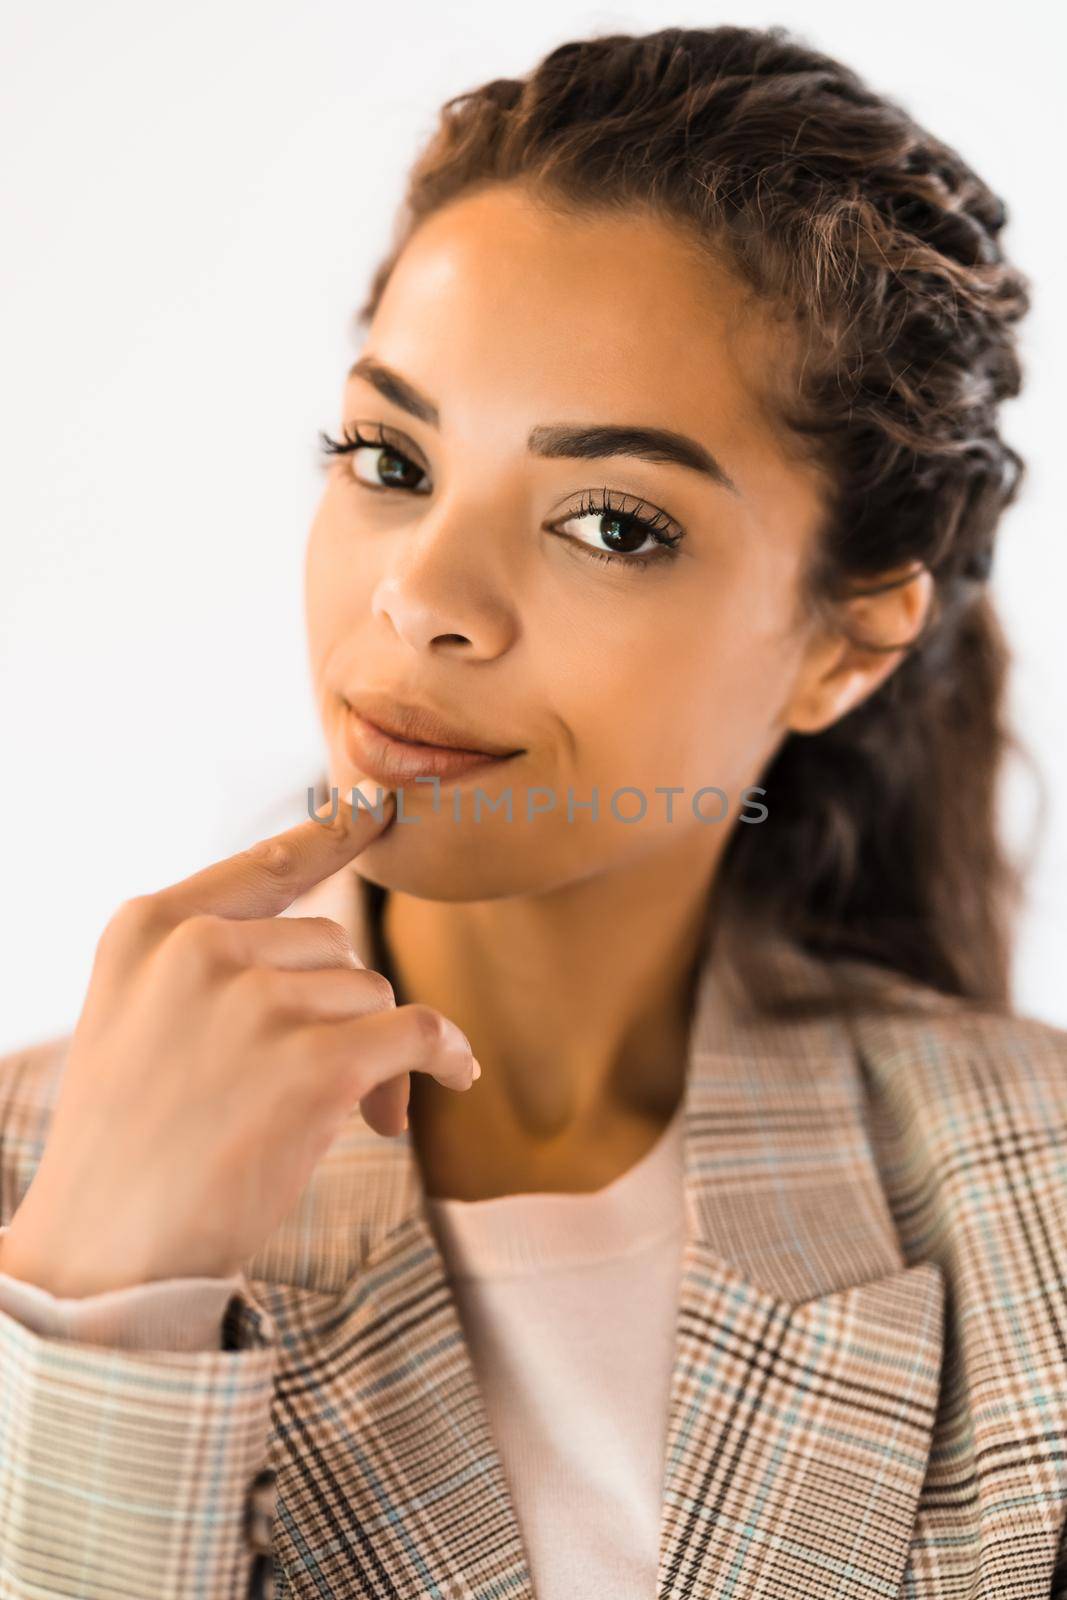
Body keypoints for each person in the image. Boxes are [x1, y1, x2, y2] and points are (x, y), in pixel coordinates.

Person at [1, 21, 1065, 1600]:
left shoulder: (1030, 1191)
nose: (423, 596)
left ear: (849, 641)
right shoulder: (33, 1175)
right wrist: (101, 1314)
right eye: (389, 456)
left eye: (614, 524)